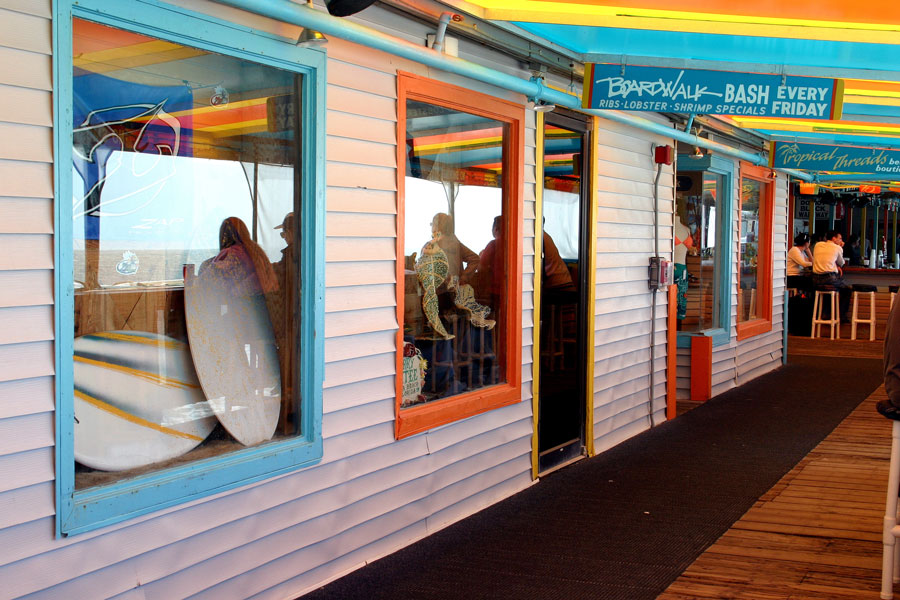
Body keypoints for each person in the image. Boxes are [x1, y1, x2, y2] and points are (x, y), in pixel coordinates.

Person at [812, 229, 851, 323]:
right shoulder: (837, 248)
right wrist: (840, 248)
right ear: (834, 238)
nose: (841, 241)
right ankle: (841, 316)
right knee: (847, 289)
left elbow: (826, 258)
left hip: (815, 279)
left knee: (830, 289)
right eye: (840, 238)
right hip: (829, 278)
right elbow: (841, 263)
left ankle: (825, 313)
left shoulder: (818, 245)